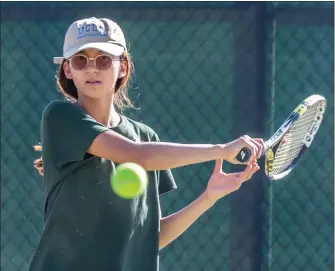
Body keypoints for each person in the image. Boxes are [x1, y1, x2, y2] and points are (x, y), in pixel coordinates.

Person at [29, 17, 263, 271]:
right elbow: (135, 155)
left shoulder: (145, 137)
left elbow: (152, 237)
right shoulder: (60, 116)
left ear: (123, 68)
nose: (92, 68)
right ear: (68, 70)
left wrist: (208, 197)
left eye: (104, 59)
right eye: (80, 59)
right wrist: (221, 151)